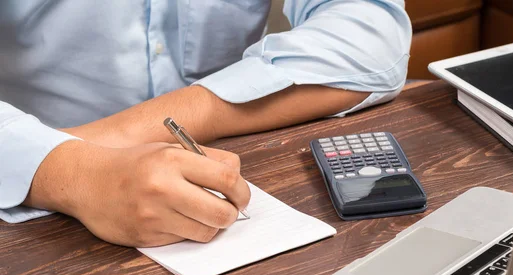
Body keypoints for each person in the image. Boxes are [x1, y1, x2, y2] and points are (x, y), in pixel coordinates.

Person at [0, 1, 412, 247]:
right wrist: (65, 164)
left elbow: (371, 32)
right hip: (25, 194)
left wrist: (122, 134)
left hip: (230, 149)